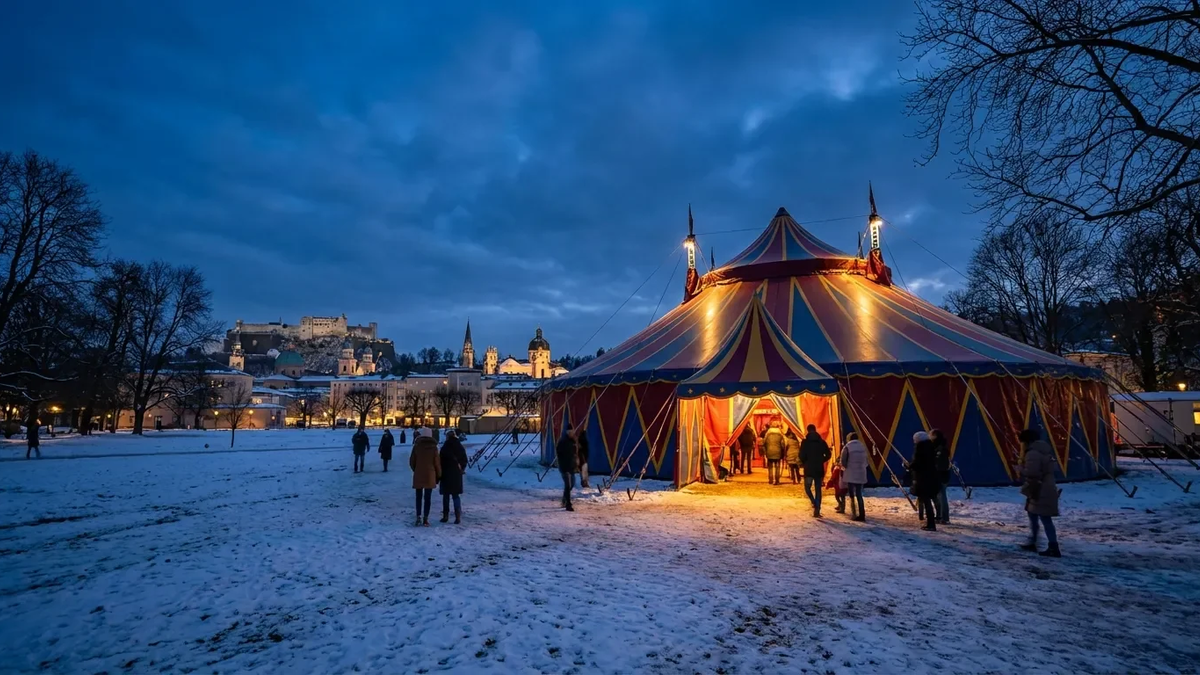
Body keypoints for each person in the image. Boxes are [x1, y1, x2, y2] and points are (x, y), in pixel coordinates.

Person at [1019, 428, 1061, 557]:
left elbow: (1033, 473)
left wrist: (1020, 469)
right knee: (1033, 514)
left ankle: (1053, 546)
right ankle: (1034, 541)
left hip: (1039, 489)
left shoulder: (1033, 453)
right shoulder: (1045, 451)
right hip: (1045, 487)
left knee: (1044, 518)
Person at [908, 431, 939, 531]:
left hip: (923, 478)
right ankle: (931, 521)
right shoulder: (930, 448)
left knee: (926, 501)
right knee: (928, 500)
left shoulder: (920, 449)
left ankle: (931, 524)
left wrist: (909, 466)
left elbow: (917, 464)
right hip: (931, 477)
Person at [799, 425, 832, 517]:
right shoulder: (821, 442)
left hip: (808, 469)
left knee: (807, 488)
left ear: (808, 431)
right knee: (818, 490)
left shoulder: (805, 443)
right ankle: (817, 508)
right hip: (818, 469)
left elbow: (801, 455)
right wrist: (822, 460)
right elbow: (828, 454)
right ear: (815, 430)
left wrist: (805, 462)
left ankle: (813, 502)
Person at [410, 429, 441, 526]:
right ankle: (426, 518)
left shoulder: (416, 446)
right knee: (428, 498)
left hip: (419, 473)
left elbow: (412, 461)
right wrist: (438, 474)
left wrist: (416, 469)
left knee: (418, 497)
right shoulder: (434, 448)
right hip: (430, 475)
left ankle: (418, 516)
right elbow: (437, 463)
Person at [439, 429, 469, 524]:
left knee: (446, 496)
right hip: (456, 474)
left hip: (446, 474)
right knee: (456, 496)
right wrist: (461, 469)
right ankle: (457, 516)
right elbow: (464, 460)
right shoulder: (460, 447)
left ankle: (445, 516)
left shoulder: (445, 447)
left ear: (448, 437)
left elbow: (440, 461)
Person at [840, 432, 868, 521]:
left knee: (851, 494)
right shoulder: (863, 447)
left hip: (850, 473)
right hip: (861, 473)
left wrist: (844, 468)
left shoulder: (847, 447)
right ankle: (862, 514)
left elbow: (843, 461)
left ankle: (854, 513)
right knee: (859, 494)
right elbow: (866, 460)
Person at [931, 428, 951, 524]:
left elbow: (941, 464)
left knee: (942, 496)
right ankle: (939, 515)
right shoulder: (937, 448)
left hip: (940, 476)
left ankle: (944, 517)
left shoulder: (941, 449)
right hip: (938, 475)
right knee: (936, 496)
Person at [555, 429, 578, 511]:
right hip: (565, 467)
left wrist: (575, 463)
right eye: (571, 432)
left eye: (573, 432)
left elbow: (574, 454)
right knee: (568, 485)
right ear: (568, 433)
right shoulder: (563, 442)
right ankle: (568, 504)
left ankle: (564, 500)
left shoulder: (573, 441)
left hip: (571, 467)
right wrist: (562, 465)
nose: (573, 433)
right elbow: (559, 454)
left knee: (572, 484)